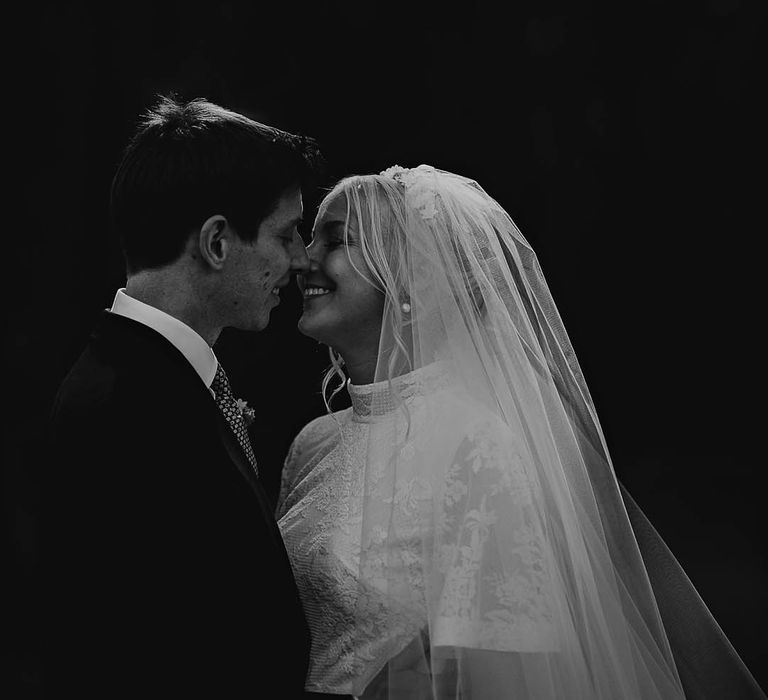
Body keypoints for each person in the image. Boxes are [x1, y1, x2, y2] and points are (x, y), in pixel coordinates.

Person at [277, 165, 766, 699]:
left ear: (412, 278)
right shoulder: (313, 444)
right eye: (309, 236)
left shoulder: (477, 445)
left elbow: (498, 671)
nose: (303, 258)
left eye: (337, 239)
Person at [48, 96, 323, 696]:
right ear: (217, 242)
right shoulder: (127, 410)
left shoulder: (148, 377)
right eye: (286, 234)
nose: (302, 259)